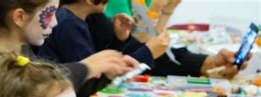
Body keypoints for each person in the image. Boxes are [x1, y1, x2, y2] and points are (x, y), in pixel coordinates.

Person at [0, 0, 139, 97]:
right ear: (20, 17)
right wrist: (86, 67)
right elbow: (29, 91)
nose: (55, 23)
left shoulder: (22, 51)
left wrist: (103, 74)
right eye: (50, 14)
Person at [87, 1, 251, 78]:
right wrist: (157, 10)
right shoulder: (108, 7)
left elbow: (159, 46)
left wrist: (213, 63)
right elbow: (140, 45)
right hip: (127, 72)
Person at [37, 0, 169, 72]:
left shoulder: (77, 20)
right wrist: (148, 52)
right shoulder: (67, 23)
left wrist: (120, 38)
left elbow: (98, 62)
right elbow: (94, 74)